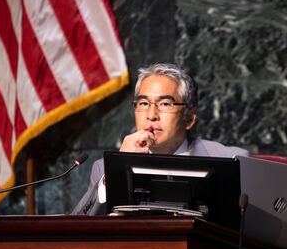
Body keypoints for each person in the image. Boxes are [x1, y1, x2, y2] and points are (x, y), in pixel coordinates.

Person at [73, 63, 248, 215]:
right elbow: (77, 227)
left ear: (189, 118)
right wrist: (114, 172)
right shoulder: (104, 168)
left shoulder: (231, 160)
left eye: (164, 104)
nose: (151, 115)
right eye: (143, 104)